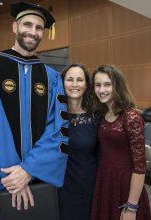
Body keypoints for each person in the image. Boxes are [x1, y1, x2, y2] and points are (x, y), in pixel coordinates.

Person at [0, 2, 68, 220]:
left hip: (39, 179)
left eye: (39, 27)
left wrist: (29, 170)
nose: (33, 32)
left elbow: (58, 129)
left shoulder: (51, 77)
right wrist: (15, 177)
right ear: (15, 27)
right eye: (27, 25)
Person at [91, 65, 151, 220]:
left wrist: (131, 207)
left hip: (126, 184)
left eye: (107, 84)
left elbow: (140, 167)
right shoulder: (102, 113)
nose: (102, 90)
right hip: (105, 181)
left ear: (117, 86)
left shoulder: (131, 117)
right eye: (98, 85)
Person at [58, 64, 100, 220]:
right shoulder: (52, 115)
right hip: (58, 186)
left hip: (87, 185)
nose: (74, 84)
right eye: (70, 79)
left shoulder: (96, 117)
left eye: (79, 80)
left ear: (86, 84)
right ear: (62, 83)